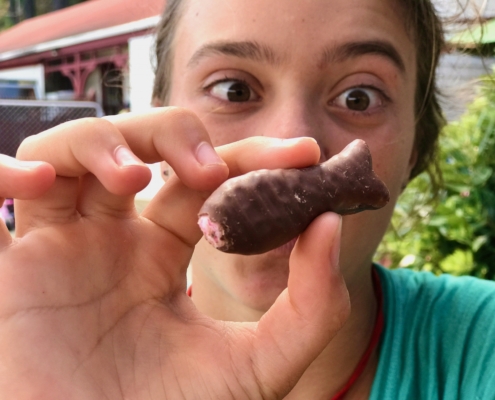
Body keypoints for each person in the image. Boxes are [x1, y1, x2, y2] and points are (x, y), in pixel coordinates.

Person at [1, 0, 494, 398]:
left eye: (358, 97)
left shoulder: (480, 347)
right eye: (233, 89)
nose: (293, 150)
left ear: (417, 148)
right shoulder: (52, 344)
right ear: (159, 131)